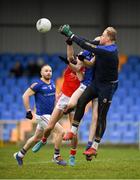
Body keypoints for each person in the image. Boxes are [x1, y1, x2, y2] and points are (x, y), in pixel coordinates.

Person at [59, 25, 119, 157]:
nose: (101, 36)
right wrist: (71, 36)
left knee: (101, 116)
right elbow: (88, 42)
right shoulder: (103, 45)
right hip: (96, 82)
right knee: (82, 100)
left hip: (108, 86)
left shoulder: (109, 50)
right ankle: (72, 131)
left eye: (103, 35)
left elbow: (88, 47)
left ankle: (94, 147)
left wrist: (71, 34)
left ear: (108, 38)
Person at [13, 64, 67, 166]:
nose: (48, 72)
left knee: (36, 138)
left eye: (50, 71)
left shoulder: (52, 83)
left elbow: (54, 96)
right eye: (46, 71)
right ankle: (56, 157)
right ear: (41, 73)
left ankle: (20, 154)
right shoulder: (37, 84)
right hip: (42, 116)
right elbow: (25, 95)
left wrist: (58, 100)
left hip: (50, 115)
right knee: (61, 131)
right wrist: (28, 110)